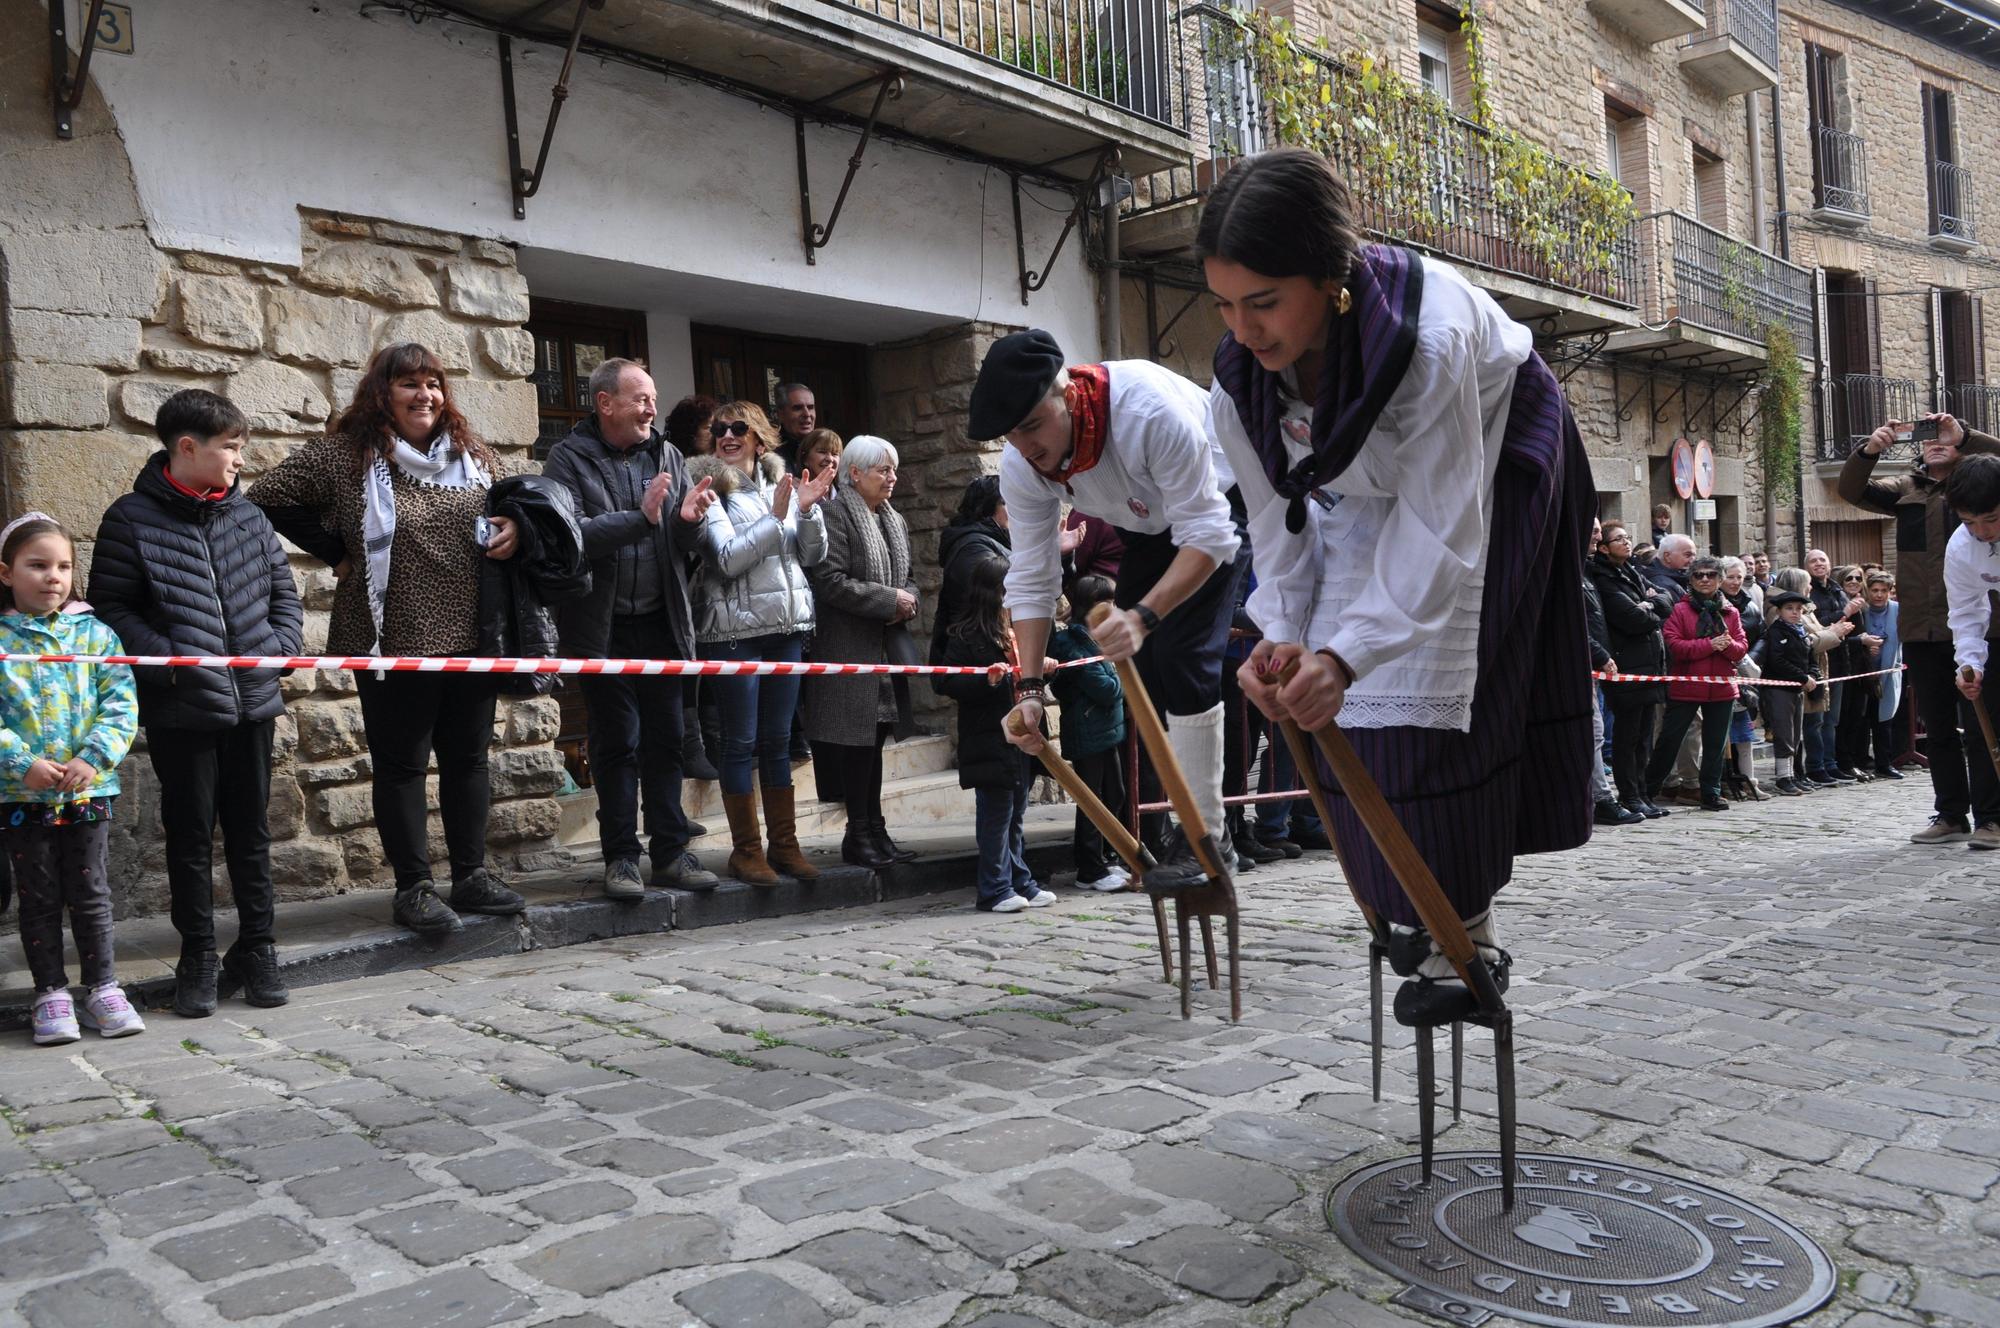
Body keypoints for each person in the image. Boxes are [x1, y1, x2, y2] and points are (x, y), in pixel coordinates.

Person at [1200, 149, 1594, 1025]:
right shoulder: (1236, 387)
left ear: (1330, 279)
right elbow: (1279, 525)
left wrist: (1346, 652)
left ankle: (1469, 937)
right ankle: (1406, 912)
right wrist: (1285, 632)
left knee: (1439, 691)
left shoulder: (1429, 342)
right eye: (1224, 304)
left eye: (1264, 302)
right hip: (1373, 492)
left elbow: (1439, 530)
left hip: (1498, 458)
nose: (1244, 329)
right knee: (1330, 703)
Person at [249, 343, 528, 936]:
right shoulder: (344, 456)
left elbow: (517, 507)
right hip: (390, 635)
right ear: (383, 393)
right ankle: (414, 887)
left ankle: (472, 876)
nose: (424, 395)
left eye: (433, 383)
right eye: (409, 384)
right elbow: (267, 497)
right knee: (402, 765)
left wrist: (514, 529)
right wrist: (336, 551)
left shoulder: (473, 456)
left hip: (472, 635)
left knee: (468, 760)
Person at [972, 329, 1245, 891]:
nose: (1024, 447)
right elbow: (1032, 578)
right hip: (1148, 525)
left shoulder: (1149, 412)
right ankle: (1179, 825)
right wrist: (1027, 691)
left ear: (1068, 395)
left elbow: (1210, 534)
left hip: (1221, 504)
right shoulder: (1023, 467)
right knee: (1139, 675)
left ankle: (1210, 839)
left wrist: (1143, 617)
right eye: (1011, 435)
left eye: (1030, 425)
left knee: (1181, 653)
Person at [89, 389, 304, 1016]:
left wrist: (280, 649)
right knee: (188, 837)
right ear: (188, 447)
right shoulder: (129, 519)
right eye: (231, 447)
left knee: (252, 834)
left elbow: (285, 600)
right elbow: (112, 610)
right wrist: (173, 665)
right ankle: (199, 956)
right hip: (183, 708)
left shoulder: (251, 518)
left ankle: (259, 948)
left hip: (254, 703)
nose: (240, 459)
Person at [542, 359, 721, 898]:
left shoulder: (666, 454)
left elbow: (686, 543)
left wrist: (688, 522)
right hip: (602, 627)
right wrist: (639, 518)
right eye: (640, 398)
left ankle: (670, 852)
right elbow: (568, 535)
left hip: (663, 621)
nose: (651, 408)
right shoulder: (567, 458)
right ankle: (620, 857)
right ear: (605, 403)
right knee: (617, 742)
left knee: (666, 741)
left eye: (652, 398)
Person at [0, 514, 143, 1044]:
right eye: (37, 566)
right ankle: (51, 994)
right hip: (21, 794)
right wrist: (22, 764)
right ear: (6, 572)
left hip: (87, 790)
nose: (52, 577)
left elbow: (120, 705)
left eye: (62, 566)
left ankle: (103, 989)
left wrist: (94, 758)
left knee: (90, 892)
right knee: (37, 895)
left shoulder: (97, 635)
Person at [686, 400, 831, 884]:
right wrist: (776, 517)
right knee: (740, 742)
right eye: (720, 429)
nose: (728, 435)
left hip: (785, 630)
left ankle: (785, 847)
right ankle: (746, 851)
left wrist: (806, 512)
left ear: (760, 438)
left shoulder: (782, 484)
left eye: (739, 428)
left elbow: (811, 554)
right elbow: (726, 558)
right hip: (733, 633)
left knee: (777, 742)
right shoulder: (710, 489)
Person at [1841, 413, 2000, 842]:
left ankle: (1991, 816)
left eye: (1943, 436)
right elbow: (1851, 490)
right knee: (1940, 728)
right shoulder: (1905, 491)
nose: (1936, 442)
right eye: (1927, 438)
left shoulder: (1985, 485)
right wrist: (1870, 450)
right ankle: (1950, 814)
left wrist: (1966, 436)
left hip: (1985, 627)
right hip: (1925, 627)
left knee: (1984, 723)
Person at [803, 436, 919, 869]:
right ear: (854, 474)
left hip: (885, 650)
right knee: (856, 746)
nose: (892, 478)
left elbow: (910, 578)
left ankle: (876, 828)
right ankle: (857, 834)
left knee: (877, 742)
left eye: (893, 469)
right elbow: (829, 581)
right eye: (882, 470)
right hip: (848, 646)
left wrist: (906, 598)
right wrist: (889, 601)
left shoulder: (895, 518)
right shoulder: (834, 516)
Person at [933, 556, 1052, 914]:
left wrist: (1045, 670)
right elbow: (944, 681)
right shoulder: (966, 636)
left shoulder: (1016, 632)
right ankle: (994, 888)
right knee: (996, 816)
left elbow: (1027, 678)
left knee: (1017, 812)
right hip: (988, 737)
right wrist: (985, 680)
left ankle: (1020, 882)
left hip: (1020, 737)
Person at [1644, 557, 1746, 811]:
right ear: (1690, 580)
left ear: (1720, 580)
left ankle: (1710, 793)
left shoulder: (1730, 612)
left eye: (1711, 575)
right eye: (1698, 575)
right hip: (1687, 686)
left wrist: (1727, 645)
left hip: (1721, 687)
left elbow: (1741, 648)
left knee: (1715, 744)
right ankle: (1647, 790)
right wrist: (1709, 645)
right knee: (1669, 740)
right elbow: (1674, 646)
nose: (1704, 579)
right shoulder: (1680, 610)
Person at [1050, 574, 1130, 889]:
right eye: (1106, 604)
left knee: (1115, 794)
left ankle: (1107, 858)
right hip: (1087, 731)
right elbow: (1107, 688)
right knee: (1092, 802)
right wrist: (1123, 673)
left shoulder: (1100, 638)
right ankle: (1089, 869)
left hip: (1107, 731)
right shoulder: (1073, 642)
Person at [1589, 521, 1673, 818]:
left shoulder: (1631, 571)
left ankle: (1642, 794)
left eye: (1628, 538)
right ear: (1603, 547)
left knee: (1644, 734)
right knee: (1628, 736)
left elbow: (1666, 600)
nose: (1626, 543)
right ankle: (1629, 795)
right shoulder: (1602, 576)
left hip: (1649, 662)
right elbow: (1629, 618)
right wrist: (1649, 607)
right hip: (1627, 663)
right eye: (1619, 539)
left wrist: (1648, 605)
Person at [662, 394, 724, 781]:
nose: (720, 436)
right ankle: (692, 749)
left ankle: (712, 747)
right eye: (711, 429)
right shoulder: (678, 470)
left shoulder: (729, 473)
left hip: (718, 592)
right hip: (686, 587)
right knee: (686, 673)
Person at [1944, 453, 2000, 849]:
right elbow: (1966, 611)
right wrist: (1970, 662)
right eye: (1969, 521)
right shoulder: (1962, 547)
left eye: (1992, 519)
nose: (1981, 531)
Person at [1584, 519, 1640, 826]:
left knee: (1595, 731)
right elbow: (1575, 620)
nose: (1598, 535)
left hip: (1594, 665)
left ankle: (1600, 798)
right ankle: (1601, 799)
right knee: (1594, 732)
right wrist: (1600, 653)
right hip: (1584, 665)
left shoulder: (1589, 571)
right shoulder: (1574, 571)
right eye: (1593, 530)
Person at [933, 476, 1012, 664]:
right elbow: (997, 595)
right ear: (988, 507)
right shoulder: (972, 546)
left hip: (996, 645)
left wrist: (1061, 558)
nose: (1016, 510)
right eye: (1007, 503)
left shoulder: (1000, 540)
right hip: (983, 652)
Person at [1760, 589, 1819, 795]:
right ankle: (1782, 777)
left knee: (1795, 733)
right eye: (1789, 609)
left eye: (1798, 609)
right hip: (1779, 688)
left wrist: (1813, 674)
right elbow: (1777, 660)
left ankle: (1793, 774)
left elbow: (1810, 658)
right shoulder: (1776, 631)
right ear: (1779, 611)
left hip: (1797, 689)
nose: (1795, 613)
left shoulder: (1801, 631)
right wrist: (1802, 677)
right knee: (1784, 733)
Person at [1831, 564, 1878, 781]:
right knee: (1843, 717)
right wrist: (1860, 640)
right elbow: (1831, 635)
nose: (1854, 581)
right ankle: (1843, 762)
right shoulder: (1841, 606)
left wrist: (1868, 644)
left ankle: (1853, 760)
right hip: (1842, 668)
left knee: (1857, 717)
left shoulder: (1863, 607)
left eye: (1858, 578)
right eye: (1848, 577)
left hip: (1860, 667)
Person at [1860, 571, 1904, 780]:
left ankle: (1884, 763)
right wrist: (1866, 649)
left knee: (1884, 720)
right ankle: (1860, 759)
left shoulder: (1897, 610)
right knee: (1862, 718)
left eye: (1883, 591)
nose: (1878, 595)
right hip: (1863, 673)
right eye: (1875, 590)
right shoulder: (1862, 611)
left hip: (1888, 671)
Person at [775, 382, 818, 472]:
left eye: (810, 407)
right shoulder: (770, 455)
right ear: (780, 414)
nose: (807, 414)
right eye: (797, 408)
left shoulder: (826, 449)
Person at [1645, 532, 1693, 602]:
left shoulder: (1679, 577)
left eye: (1694, 555)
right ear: (1667, 556)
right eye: (1687, 555)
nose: (1692, 560)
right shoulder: (1661, 583)